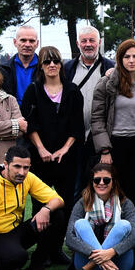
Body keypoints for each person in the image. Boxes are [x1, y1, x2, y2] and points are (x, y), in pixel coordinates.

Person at [0, 145, 66, 270]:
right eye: (17, 166)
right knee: (17, 258)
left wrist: (45, 209)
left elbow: (58, 199)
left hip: (15, 232)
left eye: (26, 167)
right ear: (5, 165)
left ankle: (36, 269)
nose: (22, 172)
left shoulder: (28, 178)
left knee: (57, 215)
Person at [21, 46, 84, 254]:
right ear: (41, 66)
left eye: (55, 61)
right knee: (40, 204)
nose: (52, 65)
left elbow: (77, 125)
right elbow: (30, 123)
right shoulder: (34, 90)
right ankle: (42, 250)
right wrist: (41, 149)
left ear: (61, 64)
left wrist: (64, 149)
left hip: (67, 158)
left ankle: (56, 249)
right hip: (41, 158)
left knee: (64, 203)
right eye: (47, 62)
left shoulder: (73, 91)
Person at [91, 39, 135, 202]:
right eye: (127, 57)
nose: (132, 60)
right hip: (115, 144)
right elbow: (97, 118)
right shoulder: (107, 83)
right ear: (120, 59)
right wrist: (105, 150)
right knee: (115, 191)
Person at [61, 163, 135, 270]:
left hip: (118, 266)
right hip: (102, 267)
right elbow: (70, 239)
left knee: (124, 225)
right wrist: (99, 255)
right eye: (97, 180)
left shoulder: (125, 203)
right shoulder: (82, 202)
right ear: (92, 182)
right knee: (80, 224)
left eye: (106, 180)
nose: (101, 183)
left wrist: (111, 252)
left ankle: (88, 268)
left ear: (113, 182)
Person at [63, 25, 113, 199]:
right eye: (84, 41)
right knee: (73, 188)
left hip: (100, 140)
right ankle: (73, 225)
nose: (88, 44)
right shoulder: (67, 69)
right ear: (78, 44)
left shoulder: (111, 68)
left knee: (100, 188)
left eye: (92, 40)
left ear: (99, 42)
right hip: (73, 139)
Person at [0, 25, 39, 103]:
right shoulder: (3, 70)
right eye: (23, 40)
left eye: (31, 41)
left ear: (37, 43)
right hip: (12, 114)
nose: (27, 44)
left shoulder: (44, 69)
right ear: (15, 42)